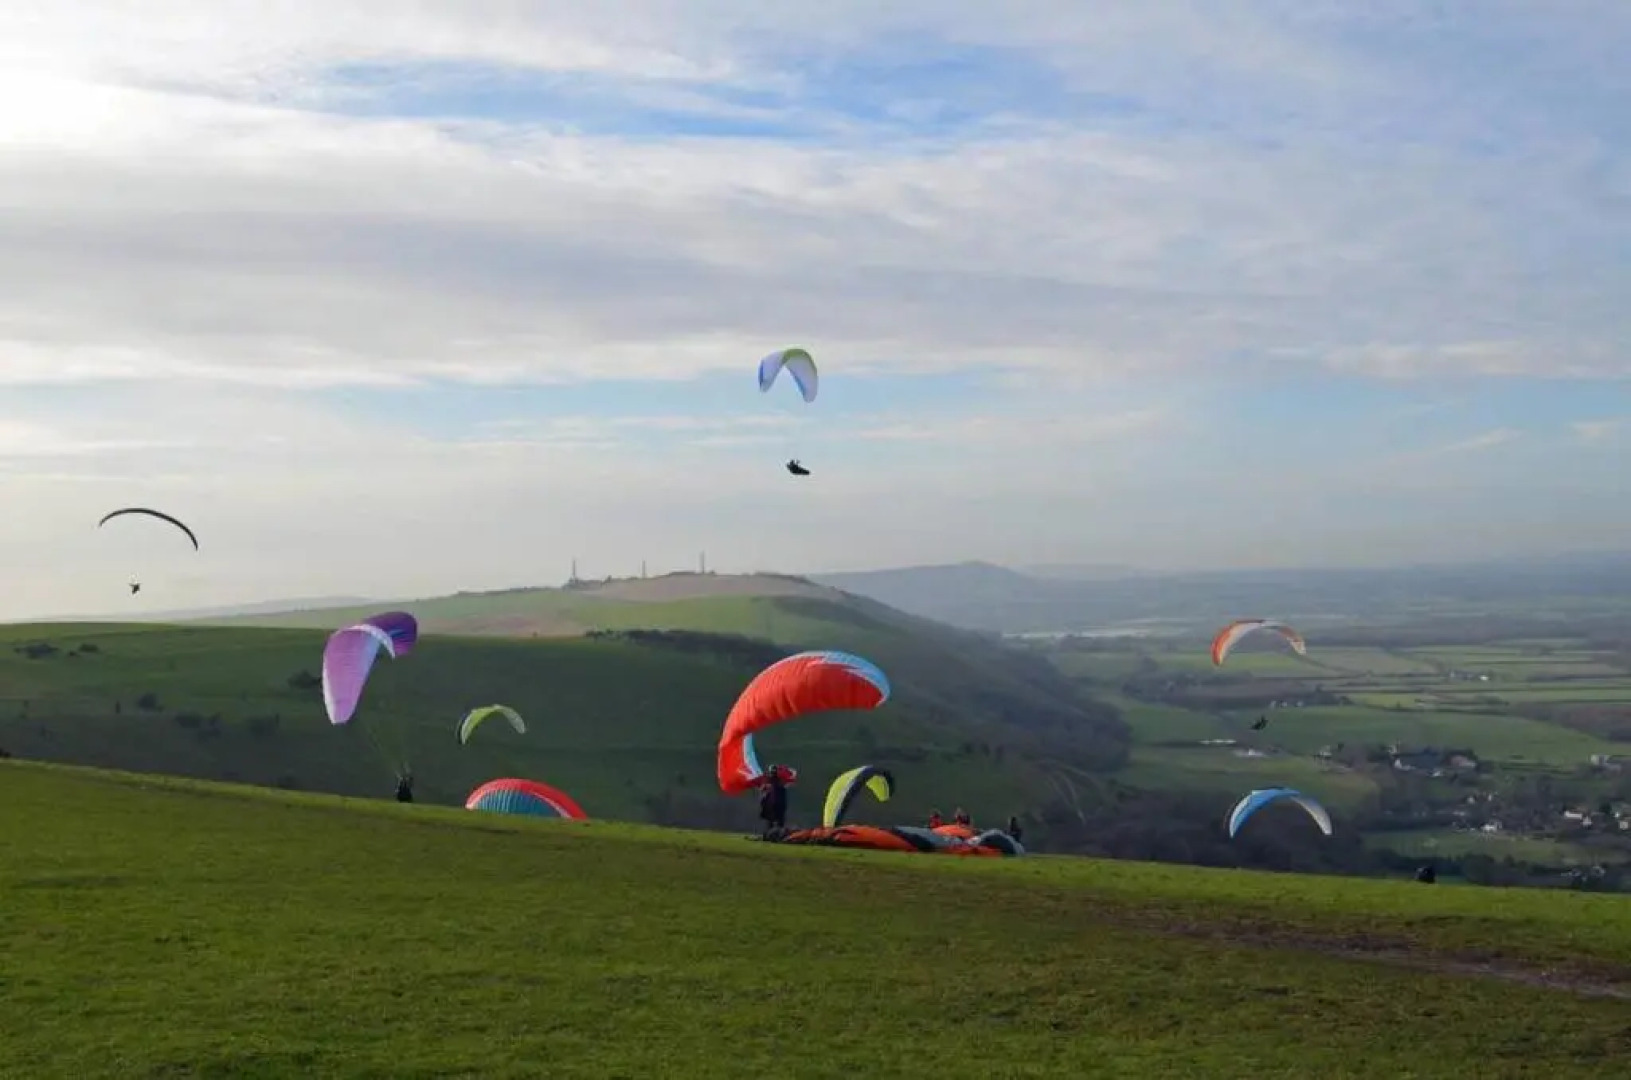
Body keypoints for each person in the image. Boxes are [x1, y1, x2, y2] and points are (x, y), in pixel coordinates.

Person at [759, 767, 789, 836]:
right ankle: (778, 834)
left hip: (774, 804)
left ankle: (774, 834)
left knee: (772, 821)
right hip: (777, 804)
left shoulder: (771, 781)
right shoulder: (779, 781)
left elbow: (762, 790)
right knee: (777, 821)